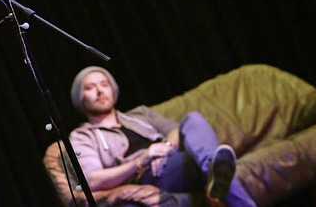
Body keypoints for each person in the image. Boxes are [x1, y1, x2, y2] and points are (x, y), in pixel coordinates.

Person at [68, 66, 257, 207]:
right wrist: (143, 159)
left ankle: (212, 169)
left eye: (104, 84)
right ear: (80, 97)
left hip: (175, 159)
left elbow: (176, 130)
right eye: (90, 87)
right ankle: (214, 173)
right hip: (149, 176)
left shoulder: (140, 114)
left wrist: (165, 147)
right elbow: (93, 180)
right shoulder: (82, 136)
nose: (100, 91)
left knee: (193, 119)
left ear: (113, 89)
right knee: (214, 166)